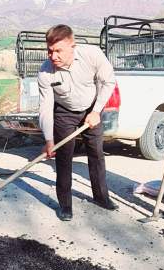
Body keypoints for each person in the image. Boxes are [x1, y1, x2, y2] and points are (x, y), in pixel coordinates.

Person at [38, 24, 117, 221]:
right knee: (64, 157)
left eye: (58, 51)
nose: (53, 56)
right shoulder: (45, 72)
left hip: (92, 109)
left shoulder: (92, 54)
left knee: (96, 153)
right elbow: (46, 108)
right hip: (64, 113)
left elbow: (108, 82)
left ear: (72, 45)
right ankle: (65, 205)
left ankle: (101, 197)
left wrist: (97, 111)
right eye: (50, 51)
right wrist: (49, 140)